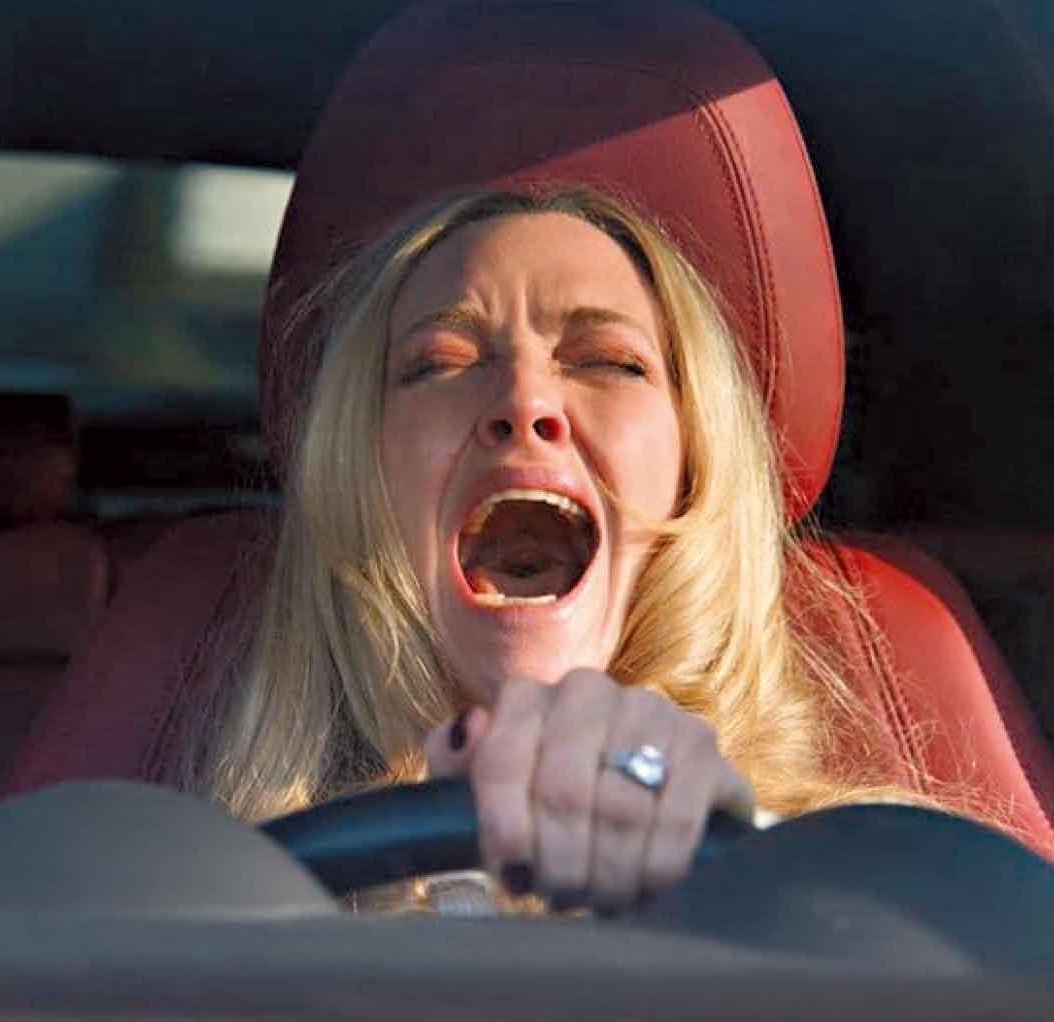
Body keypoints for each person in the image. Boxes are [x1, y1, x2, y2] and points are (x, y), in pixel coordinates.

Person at [171, 184, 975, 916]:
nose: (525, 402)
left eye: (606, 362)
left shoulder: (898, 892)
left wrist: (756, 885)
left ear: (692, 474)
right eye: (443, 363)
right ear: (358, 479)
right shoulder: (189, 910)